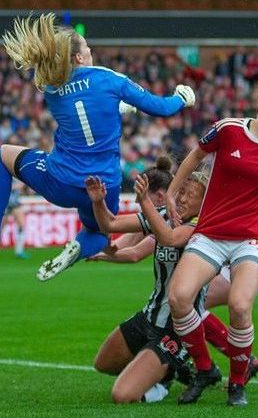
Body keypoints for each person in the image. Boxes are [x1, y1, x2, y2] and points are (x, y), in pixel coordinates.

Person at [0, 12, 196, 281]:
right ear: (79, 57)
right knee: (100, 233)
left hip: (61, 180)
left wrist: (119, 107)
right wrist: (181, 98)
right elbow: (159, 108)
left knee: (0, 155)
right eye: (86, 46)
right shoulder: (109, 79)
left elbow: (85, 105)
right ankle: (79, 248)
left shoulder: (51, 87)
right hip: (103, 185)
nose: (90, 48)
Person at [166, 77, 258, 406]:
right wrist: (170, 193)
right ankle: (206, 369)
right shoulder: (228, 129)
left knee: (240, 306)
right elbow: (195, 157)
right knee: (179, 297)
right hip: (211, 233)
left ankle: (237, 383)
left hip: (252, 237)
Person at [86, 164, 208, 404]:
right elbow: (110, 224)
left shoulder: (201, 226)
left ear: (205, 203)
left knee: (122, 395)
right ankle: (159, 368)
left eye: (189, 195)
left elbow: (169, 238)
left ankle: (166, 374)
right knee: (103, 364)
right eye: (180, 192)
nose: (181, 199)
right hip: (151, 315)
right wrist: (98, 202)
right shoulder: (164, 215)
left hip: (177, 328)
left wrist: (145, 202)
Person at [0, 179, 30, 260]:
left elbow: (22, 184)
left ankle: (19, 251)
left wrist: (18, 185)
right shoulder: (4, 172)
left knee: (22, 225)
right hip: (5, 202)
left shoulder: (17, 172)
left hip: (15, 202)